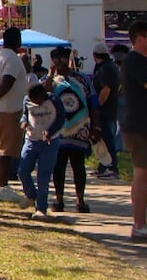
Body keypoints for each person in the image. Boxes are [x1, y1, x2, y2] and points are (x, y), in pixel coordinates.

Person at [45, 46, 101, 214]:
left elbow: (94, 105)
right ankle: (59, 199)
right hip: (59, 130)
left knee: (79, 166)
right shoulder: (52, 81)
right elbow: (45, 96)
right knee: (58, 166)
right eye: (56, 60)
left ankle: (80, 200)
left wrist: (96, 127)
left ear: (68, 59)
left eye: (62, 59)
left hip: (80, 129)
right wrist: (50, 74)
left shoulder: (82, 80)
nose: (59, 63)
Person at [0, 26, 31, 204]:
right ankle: (2, 186)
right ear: (17, 41)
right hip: (9, 110)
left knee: (1, 147)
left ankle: (3, 184)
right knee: (6, 149)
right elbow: (7, 82)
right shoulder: (12, 59)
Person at [18, 82, 66, 222]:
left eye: (37, 100)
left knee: (43, 176)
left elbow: (61, 119)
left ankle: (41, 208)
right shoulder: (27, 100)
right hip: (31, 140)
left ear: (43, 95)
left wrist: (50, 132)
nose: (35, 103)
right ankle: (31, 195)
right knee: (23, 170)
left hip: (49, 143)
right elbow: (25, 115)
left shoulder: (54, 100)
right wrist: (24, 122)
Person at [119, 21, 147, 238]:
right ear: (140, 37)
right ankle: (139, 225)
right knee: (142, 176)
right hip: (139, 127)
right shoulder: (134, 61)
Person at [91, 42, 121, 179]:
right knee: (102, 138)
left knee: (107, 137)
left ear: (95, 55)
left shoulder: (105, 69)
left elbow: (106, 89)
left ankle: (112, 167)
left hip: (105, 110)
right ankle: (103, 165)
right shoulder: (109, 66)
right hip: (111, 108)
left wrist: (98, 106)